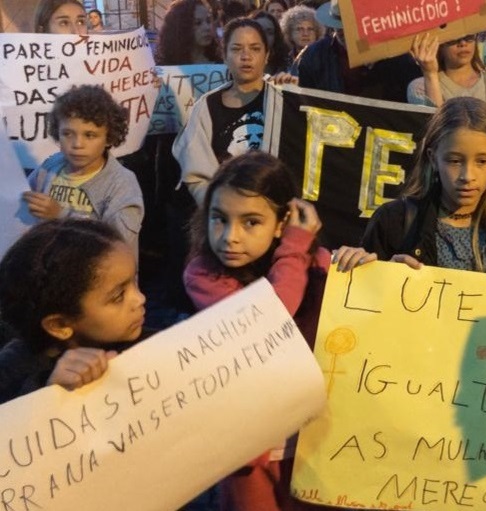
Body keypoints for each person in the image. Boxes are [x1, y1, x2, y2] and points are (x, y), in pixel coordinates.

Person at [183, 152, 330, 510]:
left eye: (250, 222)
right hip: (249, 449)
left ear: (283, 222)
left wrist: (377, 269)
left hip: (311, 440)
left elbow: (355, 302)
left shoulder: (315, 262)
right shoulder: (204, 275)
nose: (229, 237)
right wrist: (295, 247)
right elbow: (272, 316)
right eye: (219, 219)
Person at [334, 97, 486, 281]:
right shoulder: (393, 220)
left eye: (482, 161)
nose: (467, 176)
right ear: (433, 158)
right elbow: (364, 303)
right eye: (454, 161)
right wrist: (374, 272)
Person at [0, 219, 145, 403]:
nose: (140, 299)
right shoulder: (11, 374)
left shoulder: (149, 343)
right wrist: (48, 394)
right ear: (60, 325)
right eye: (118, 296)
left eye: (135, 280)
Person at [173, 18, 298, 204]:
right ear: (224, 55)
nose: (246, 56)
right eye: (237, 49)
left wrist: (296, 98)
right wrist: (220, 210)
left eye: (255, 49)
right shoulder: (207, 106)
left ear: (266, 55)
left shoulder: (283, 97)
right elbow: (196, 176)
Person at [23, 85, 144, 261]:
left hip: (97, 281)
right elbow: (21, 201)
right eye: (67, 134)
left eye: (90, 135)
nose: (77, 144)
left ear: (109, 137)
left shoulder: (122, 183)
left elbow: (118, 243)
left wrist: (62, 215)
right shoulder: (49, 167)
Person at [407, 33, 486, 114]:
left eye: (469, 37)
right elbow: (435, 130)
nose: (463, 43)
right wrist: (430, 75)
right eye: (454, 38)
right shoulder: (420, 87)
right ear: (439, 44)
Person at [155, 0, 221, 65]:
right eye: (198, 23)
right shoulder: (166, 66)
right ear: (182, 27)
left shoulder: (222, 61)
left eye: (208, 21)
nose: (207, 27)